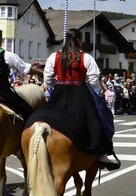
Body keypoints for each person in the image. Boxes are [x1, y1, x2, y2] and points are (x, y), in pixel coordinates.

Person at [27, 28, 120, 170]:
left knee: (39, 115)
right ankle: (102, 153)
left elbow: (48, 79)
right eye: (81, 39)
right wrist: (92, 89)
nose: (82, 42)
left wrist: (55, 87)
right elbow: (94, 79)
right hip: (80, 91)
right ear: (78, 40)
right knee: (101, 117)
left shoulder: (54, 56)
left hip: (60, 92)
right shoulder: (86, 57)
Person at [0, 26, 43, 121]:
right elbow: (26, 69)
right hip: (3, 93)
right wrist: (41, 73)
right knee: (30, 113)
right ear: (0, 39)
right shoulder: (8, 55)